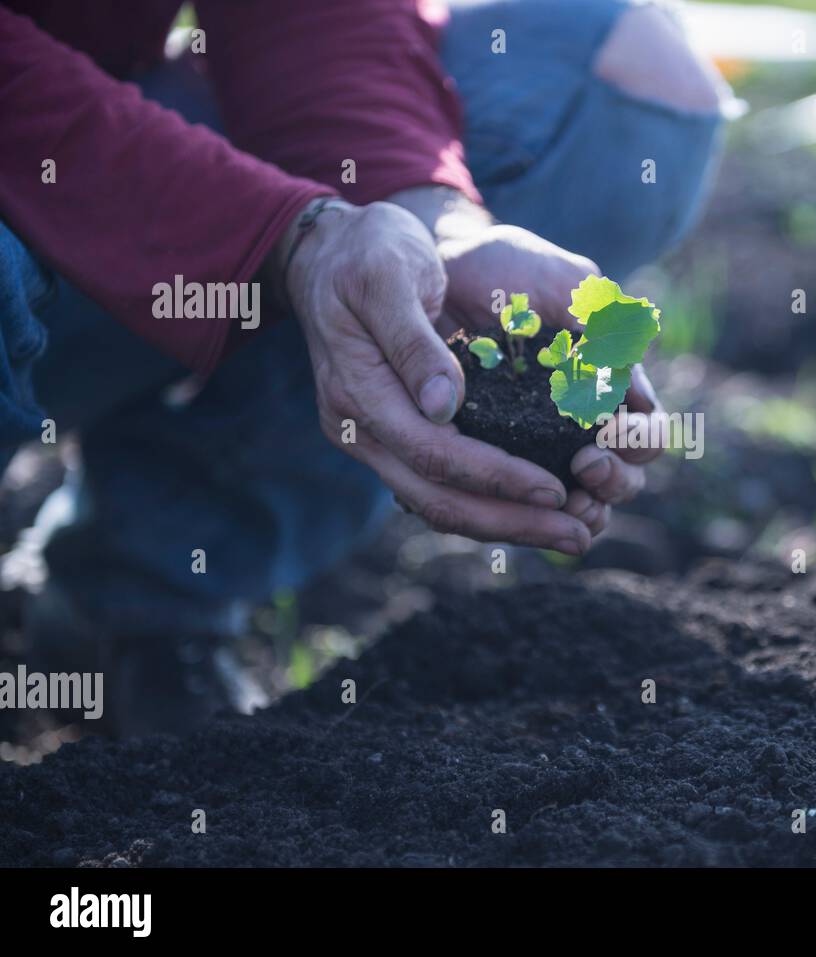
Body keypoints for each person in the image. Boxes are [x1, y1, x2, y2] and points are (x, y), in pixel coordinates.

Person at [0, 0, 728, 735]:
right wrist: (284, 234)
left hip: (84, 196)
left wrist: (431, 219)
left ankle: (133, 599)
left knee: (616, 81)